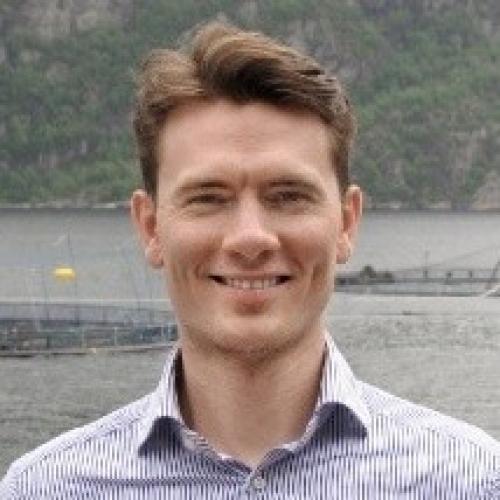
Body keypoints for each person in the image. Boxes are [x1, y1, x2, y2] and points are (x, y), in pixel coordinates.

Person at [1, 22, 499, 500]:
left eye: (288, 196)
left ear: (346, 223)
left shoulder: (471, 482)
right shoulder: (45, 489)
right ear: (150, 227)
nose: (249, 238)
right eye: (208, 198)